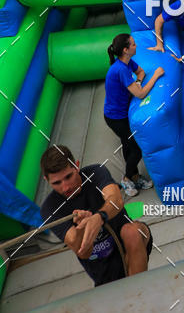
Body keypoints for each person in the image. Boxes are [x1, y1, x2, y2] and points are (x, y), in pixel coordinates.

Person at [40, 145, 152, 286]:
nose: (66, 187)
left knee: (132, 231)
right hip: (103, 270)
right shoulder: (50, 208)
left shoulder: (95, 172)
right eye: (57, 183)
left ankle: (140, 292)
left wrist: (99, 218)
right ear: (46, 180)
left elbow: (116, 200)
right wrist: (81, 228)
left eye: (69, 176)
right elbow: (83, 253)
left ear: (77, 166)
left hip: (130, 244)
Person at [103, 34, 163, 197]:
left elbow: (141, 72)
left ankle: (135, 176)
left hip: (121, 113)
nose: (136, 46)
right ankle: (127, 178)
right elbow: (141, 94)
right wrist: (156, 75)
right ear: (125, 50)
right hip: (115, 118)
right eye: (134, 45)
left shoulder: (126, 62)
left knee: (127, 144)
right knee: (136, 148)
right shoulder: (120, 69)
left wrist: (137, 81)